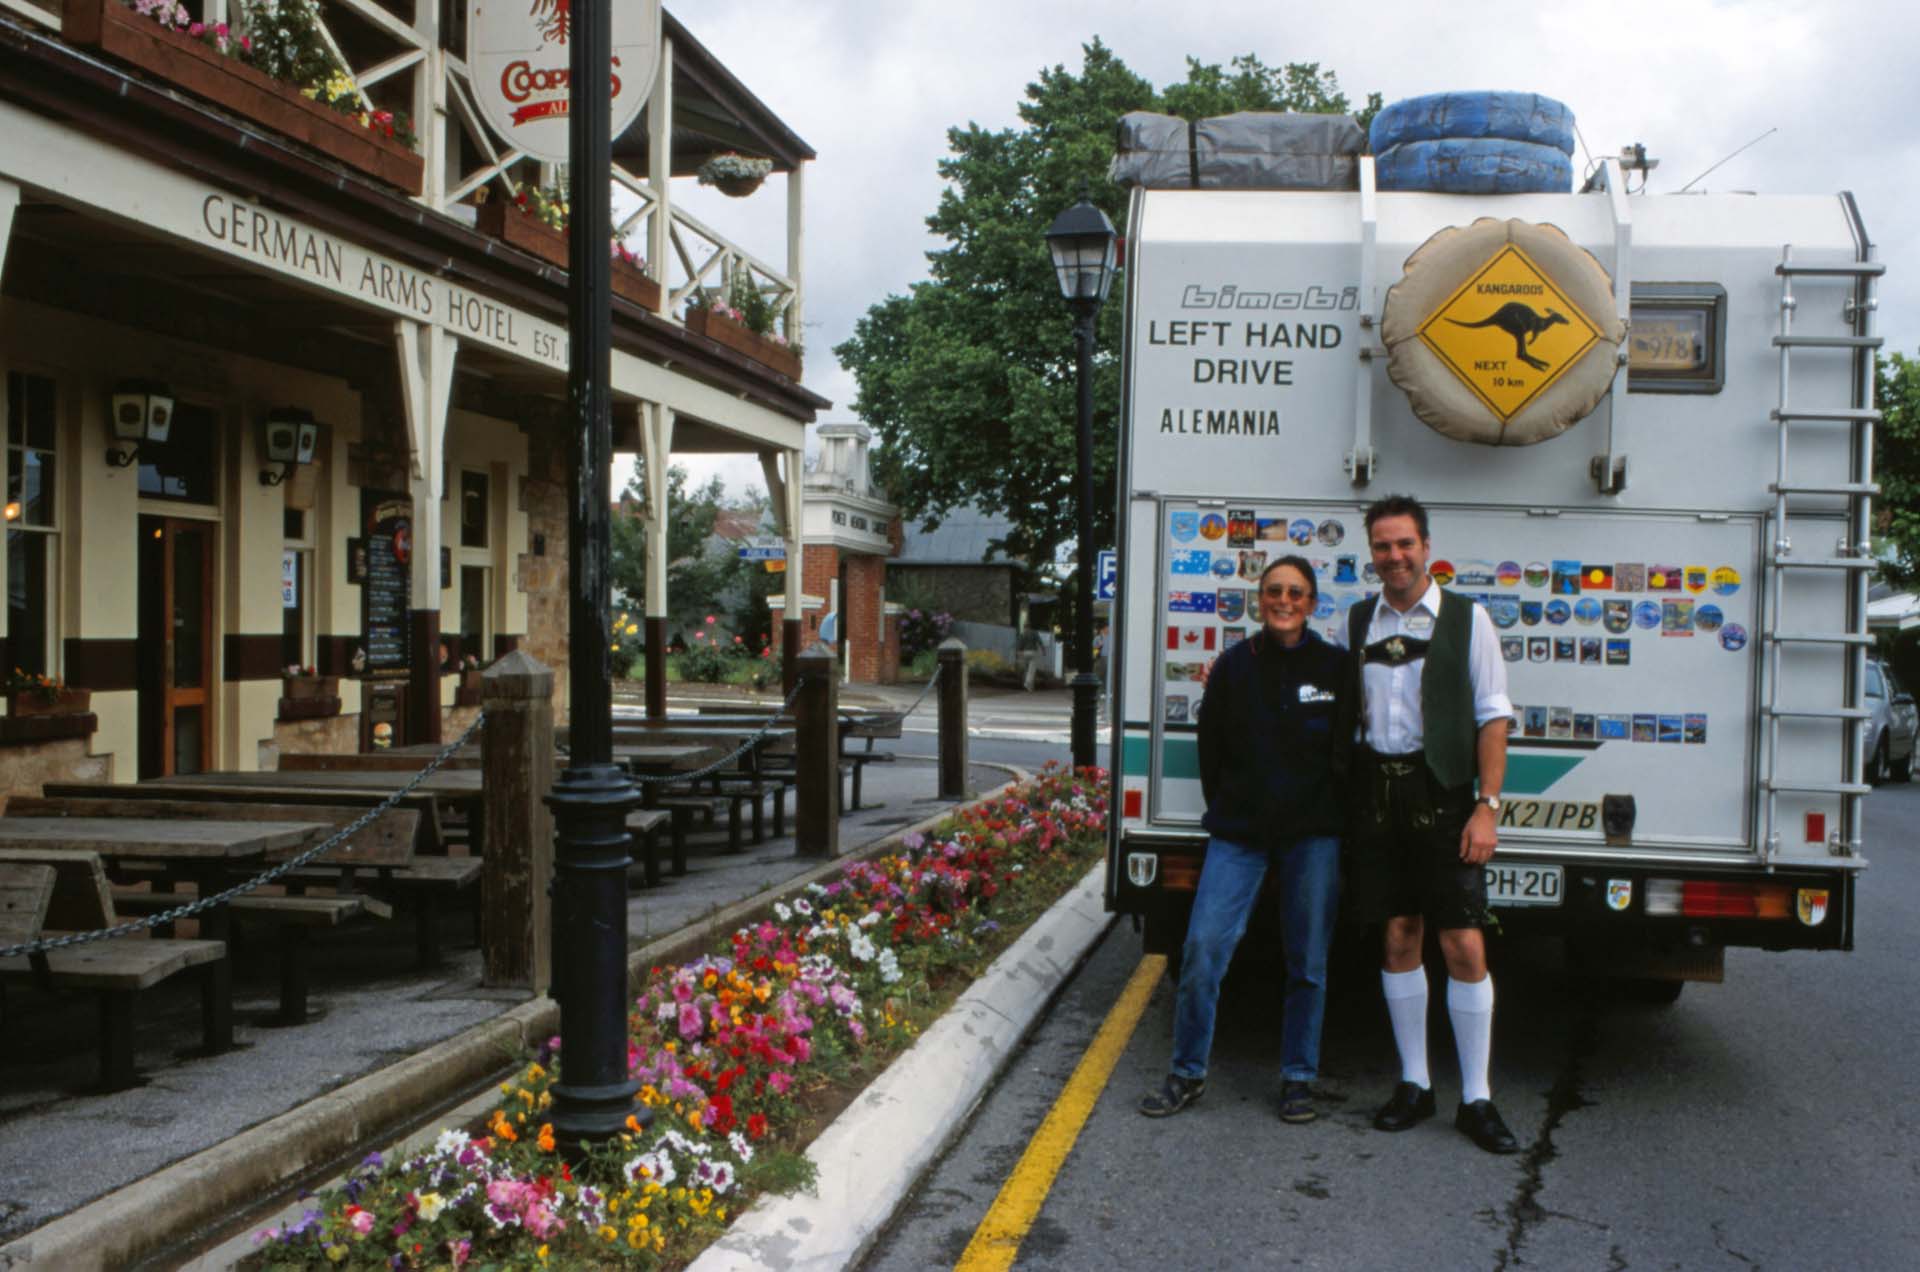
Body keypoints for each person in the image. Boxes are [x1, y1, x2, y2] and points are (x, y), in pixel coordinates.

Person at [1139, 555, 1347, 1123]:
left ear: (1312, 603)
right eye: (1275, 591)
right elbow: (1212, 754)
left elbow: (1345, 754)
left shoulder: (1336, 668)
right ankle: (1187, 1073)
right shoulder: (1232, 667)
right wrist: (1234, 808)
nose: (1285, 601)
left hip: (1313, 836)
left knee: (1308, 961)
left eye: (1297, 593)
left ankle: (1299, 1079)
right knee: (1204, 950)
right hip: (1239, 834)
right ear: (1260, 599)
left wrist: (1326, 815)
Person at [1340, 494, 1519, 1154]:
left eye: (1404, 544)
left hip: (1444, 796)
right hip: (1379, 798)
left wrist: (1487, 806)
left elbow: (1493, 718)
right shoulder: (1357, 620)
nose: (1393, 557)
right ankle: (1414, 1084)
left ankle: (1477, 1097)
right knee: (1397, 936)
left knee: (1464, 946)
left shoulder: (1468, 621)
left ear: (1426, 546)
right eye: (1382, 546)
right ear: (1373, 552)